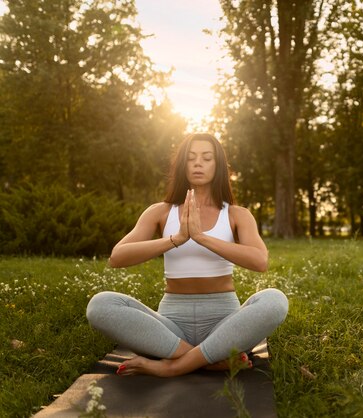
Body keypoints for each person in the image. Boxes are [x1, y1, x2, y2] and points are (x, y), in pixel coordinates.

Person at [86, 133, 288, 377]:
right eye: (191, 158)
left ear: (218, 166)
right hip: (172, 327)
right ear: (182, 165)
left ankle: (174, 366)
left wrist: (202, 238)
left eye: (206, 158)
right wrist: (176, 239)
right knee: (101, 304)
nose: (198, 163)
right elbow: (117, 257)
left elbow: (260, 261)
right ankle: (209, 359)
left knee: (275, 300)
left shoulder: (237, 214)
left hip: (224, 323)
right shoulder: (160, 212)